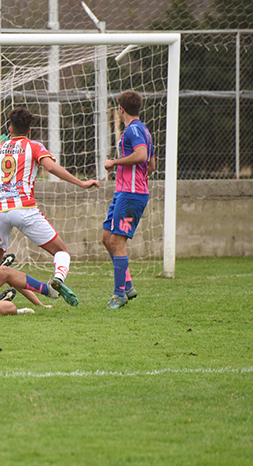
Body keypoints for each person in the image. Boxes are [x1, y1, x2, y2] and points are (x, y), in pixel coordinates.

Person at [0, 107, 100, 306]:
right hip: (24, 209)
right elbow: (51, 167)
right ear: (29, 130)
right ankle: (58, 279)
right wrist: (81, 183)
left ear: (9, 129)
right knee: (61, 251)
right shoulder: (34, 146)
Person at [101, 91, 155, 309]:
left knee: (117, 242)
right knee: (107, 238)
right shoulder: (144, 130)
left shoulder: (133, 130)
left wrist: (115, 163)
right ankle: (127, 285)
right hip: (124, 192)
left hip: (131, 194)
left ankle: (119, 294)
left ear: (120, 109)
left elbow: (142, 156)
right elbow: (151, 166)